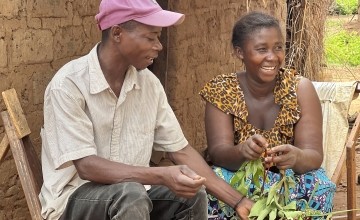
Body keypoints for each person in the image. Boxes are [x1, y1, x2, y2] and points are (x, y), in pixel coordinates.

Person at [38, 0, 253, 219]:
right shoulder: (68, 85)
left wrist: (238, 201)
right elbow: (86, 166)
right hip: (75, 201)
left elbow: (181, 151)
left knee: (192, 195)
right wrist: (160, 175)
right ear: (117, 33)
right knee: (131, 193)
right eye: (150, 37)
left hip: (133, 198)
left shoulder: (149, 84)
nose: (159, 46)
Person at [199, 11, 336, 219]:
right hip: (238, 179)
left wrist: (296, 157)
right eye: (261, 49)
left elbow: (314, 156)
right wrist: (242, 152)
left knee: (321, 185)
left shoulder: (300, 88)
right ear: (240, 52)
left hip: (288, 181)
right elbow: (218, 153)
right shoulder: (221, 89)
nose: (273, 57)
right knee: (212, 183)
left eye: (278, 48)